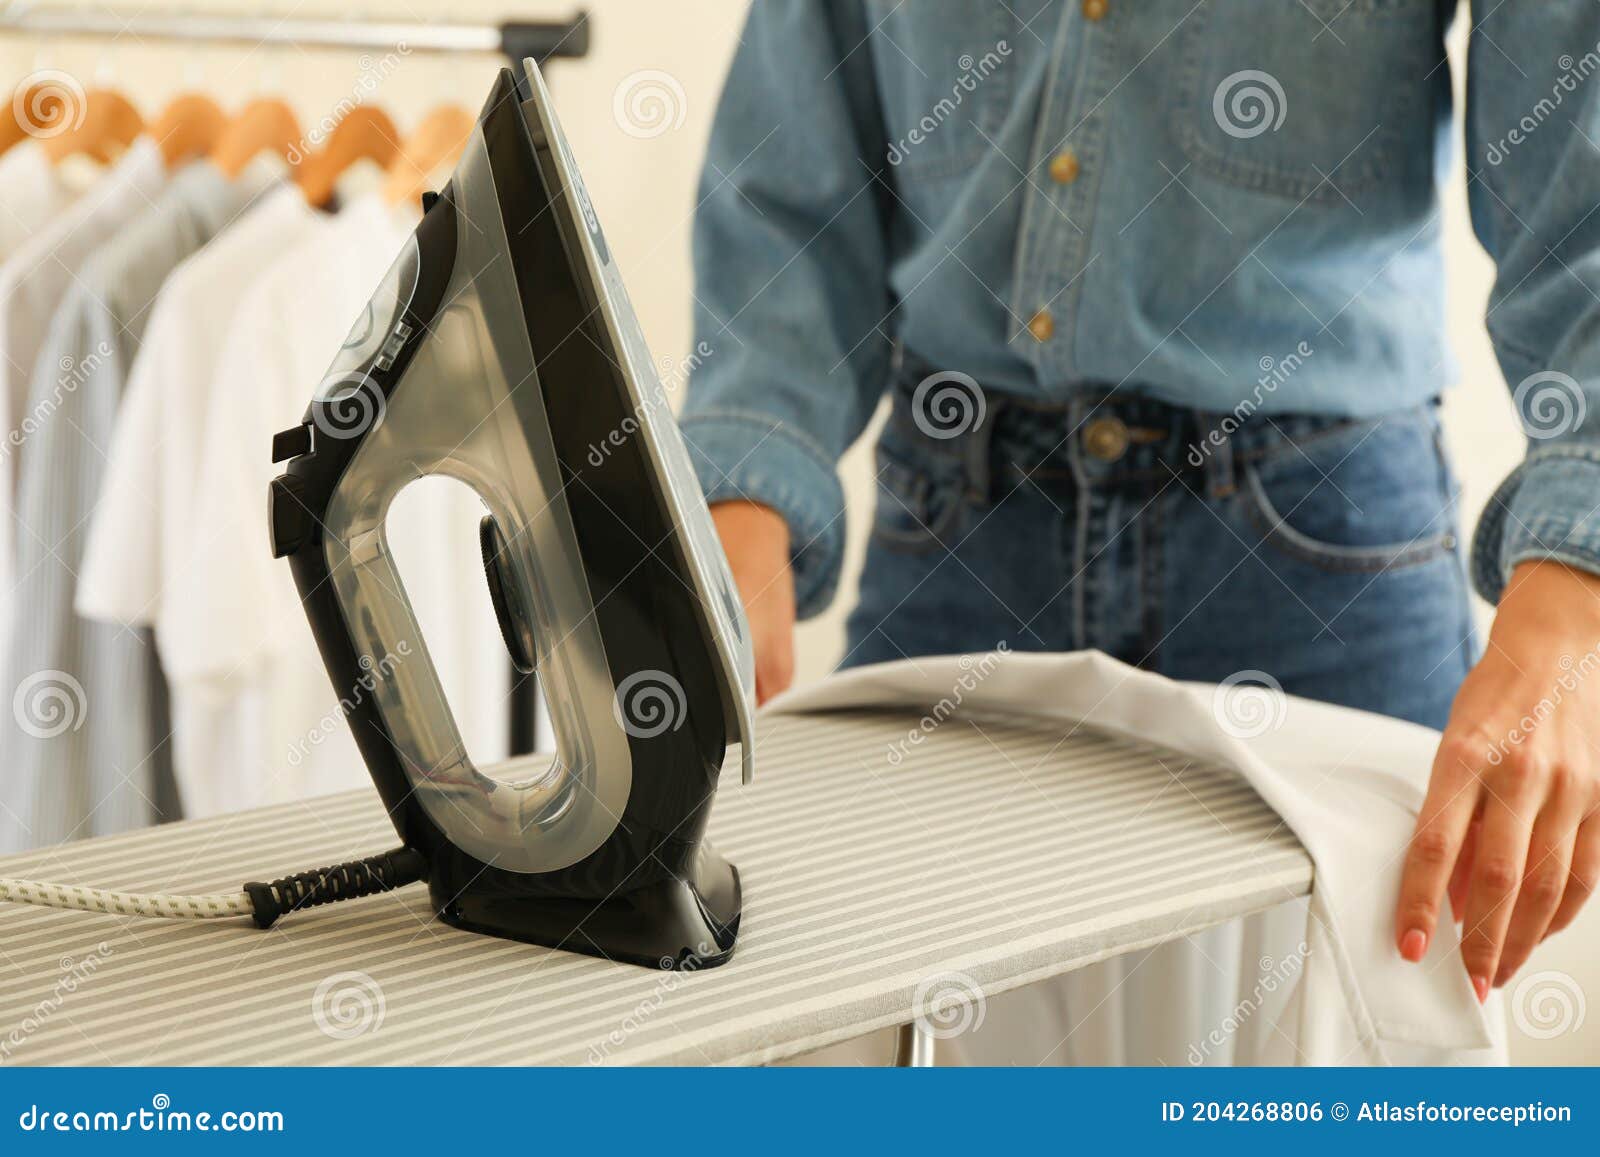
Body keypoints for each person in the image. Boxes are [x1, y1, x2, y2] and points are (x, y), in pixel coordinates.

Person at [681, 0, 1599, 1022]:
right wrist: (743, 475)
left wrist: (1579, 577)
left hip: (1319, 559)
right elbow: (798, 133)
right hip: (958, 539)